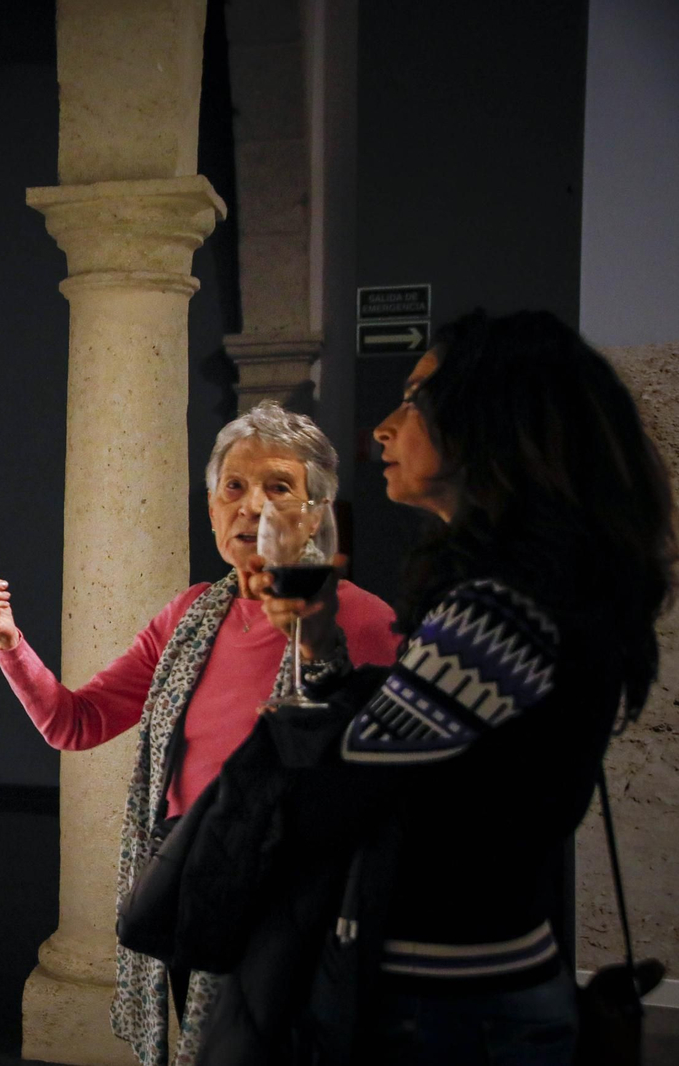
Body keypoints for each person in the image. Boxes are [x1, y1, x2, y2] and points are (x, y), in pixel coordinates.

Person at [159, 309, 675, 1065]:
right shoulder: (531, 591)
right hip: (474, 983)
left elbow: (344, 793)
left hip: (450, 1003)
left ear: (489, 422)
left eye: (414, 400)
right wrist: (325, 644)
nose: (384, 427)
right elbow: (414, 742)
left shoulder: (499, 611)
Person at [0, 401, 401, 1066]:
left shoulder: (362, 623)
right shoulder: (190, 616)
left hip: (299, 889)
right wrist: (8, 642)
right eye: (233, 488)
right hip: (198, 870)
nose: (251, 506)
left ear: (316, 510)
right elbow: (73, 723)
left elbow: (390, 787)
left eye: (278, 487)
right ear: (212, 507)